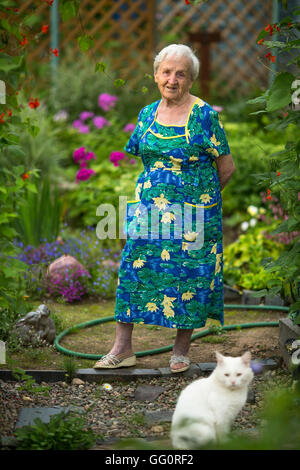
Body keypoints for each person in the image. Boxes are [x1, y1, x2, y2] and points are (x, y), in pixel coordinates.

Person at [93, 44, 236, 373]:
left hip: (192, 217)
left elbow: (226, 168)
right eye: (167, 72)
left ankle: (181, 349)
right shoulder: (146, 114)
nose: (173, 79)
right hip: (149, 213)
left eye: (181, 73)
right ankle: (122, 348)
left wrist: (199, 204)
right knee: (133, 271)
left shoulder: (204, 115)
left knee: (189, 279)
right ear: (156, 75)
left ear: (191, 79)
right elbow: (144, 159)